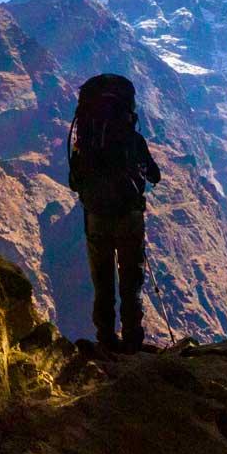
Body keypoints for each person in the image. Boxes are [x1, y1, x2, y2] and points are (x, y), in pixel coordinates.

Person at [67, 73, 161, 352]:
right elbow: (155, 175)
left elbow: (75, 181)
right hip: (128, 217)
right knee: (131, 280)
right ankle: (132, 338)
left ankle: (106, 338)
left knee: (102, 279)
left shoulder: (85, 142)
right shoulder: (132, 139)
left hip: (95, 215)